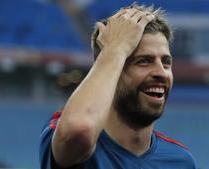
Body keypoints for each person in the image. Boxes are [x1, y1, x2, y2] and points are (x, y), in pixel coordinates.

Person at [40, 3, 197, 169]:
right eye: (144, 61)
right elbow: (80, 129)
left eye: (166, 63)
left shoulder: (181, 161)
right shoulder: (64, 133)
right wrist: (116, 49)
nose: (161, 72)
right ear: (112, 71)